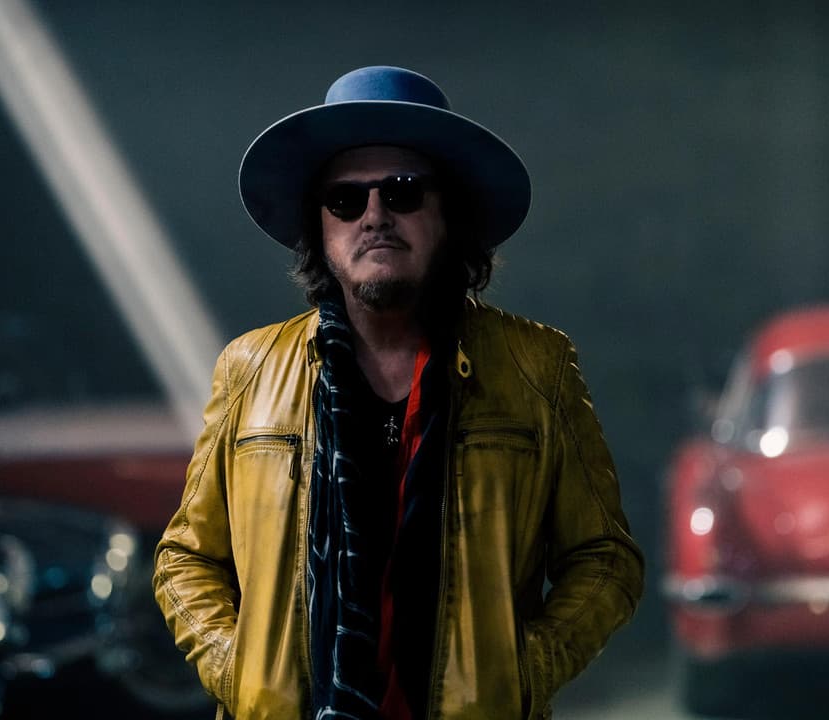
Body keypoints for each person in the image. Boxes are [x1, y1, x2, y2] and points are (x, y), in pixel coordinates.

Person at [154, 65, 644, 720]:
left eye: (404, 192)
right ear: (320, 226)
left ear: (448, 215)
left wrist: (526, 672)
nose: (375, 216)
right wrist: (240, 669)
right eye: (345, 200)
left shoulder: (536, 367)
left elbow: (605, 558)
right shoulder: (250, 368)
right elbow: (186, 558)